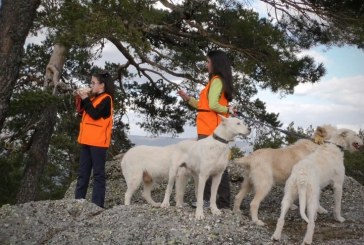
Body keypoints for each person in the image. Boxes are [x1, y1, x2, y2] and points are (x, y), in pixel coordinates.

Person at [178, 50, 235, 209]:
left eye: (208, 61)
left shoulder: (216, 81)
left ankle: (218, 202)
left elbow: (213, 106)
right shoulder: (215, 81)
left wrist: (228, 110)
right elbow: (204, 105)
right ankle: (216, 201)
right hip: (209, 127)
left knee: (213, 165)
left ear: (215, 63)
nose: (206, 64)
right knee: (214, 164)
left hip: (211, 129)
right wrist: (187, 98)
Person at [75, 71, 114, 208]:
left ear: (102, 85)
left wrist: (85, 98)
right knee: (83, 173)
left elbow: (95, 114)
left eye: (93, 83)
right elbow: (81, 113)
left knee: (98, 174)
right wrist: (81, 98)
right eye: (91, 82)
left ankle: (97, 205)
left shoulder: (106, 99)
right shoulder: (93, 98)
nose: (91, 85)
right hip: (86, 140)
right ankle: (78, 201)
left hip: (98, 142)